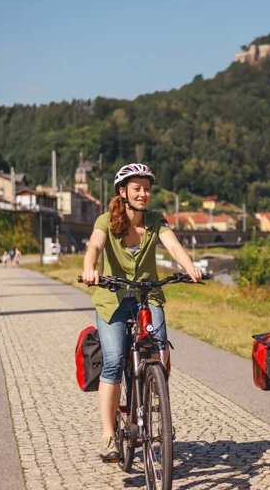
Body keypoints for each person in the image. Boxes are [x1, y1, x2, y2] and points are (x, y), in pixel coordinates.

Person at [81, 163, 203, 463]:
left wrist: (190, 267)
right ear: (123, 191)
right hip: (112, 300)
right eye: (137, 188)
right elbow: (94, 247)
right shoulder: (106, 220)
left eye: (147, 189)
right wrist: (89, 269)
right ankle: (108, 435)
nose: (143, 194)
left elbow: (173, 245)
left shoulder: (155, 220)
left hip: (148, 297)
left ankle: (154, 404)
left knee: (159, 352)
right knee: (113, 361)